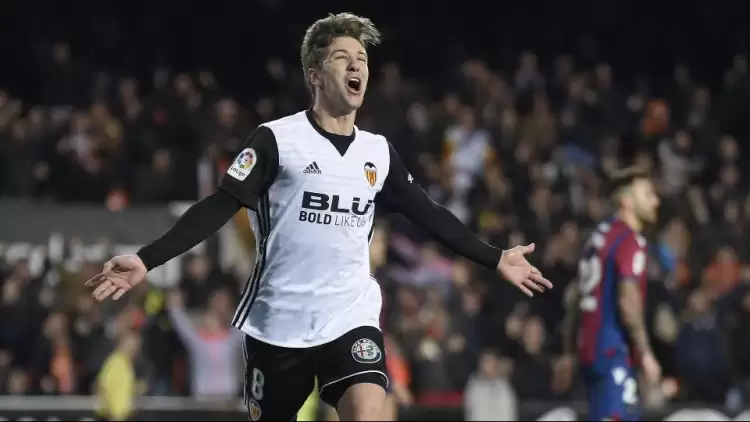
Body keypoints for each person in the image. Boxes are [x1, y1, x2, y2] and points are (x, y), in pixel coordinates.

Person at [85, 12, 552, 421]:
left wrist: (495, 258)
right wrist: (147, 259)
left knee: (368, 411)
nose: (356, 66)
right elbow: (218, 206)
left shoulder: (377, 153)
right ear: (315, 75)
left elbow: (429, 214)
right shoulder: (277, 140)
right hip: (279, 322)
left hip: (350, 315)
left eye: (362, 59)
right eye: (342, 58)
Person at [554, 167, 662, 421]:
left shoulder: (597, 239)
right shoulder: (631, 241)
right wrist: (646, 352)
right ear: (627, 202)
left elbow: (575, 297)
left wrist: (569, 351)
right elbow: (628, 301)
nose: (656, 201)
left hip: (590, 352)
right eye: (648, 195)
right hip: (614, 351)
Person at [95, 329, 141, 422]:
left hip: (122, 416)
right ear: (122, 343)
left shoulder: (126, 364)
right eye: (133, 345)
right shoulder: (116, 362)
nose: (135, 349)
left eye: (137, 346)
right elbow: (103, 387)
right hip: (114, 417)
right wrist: (112, 415)